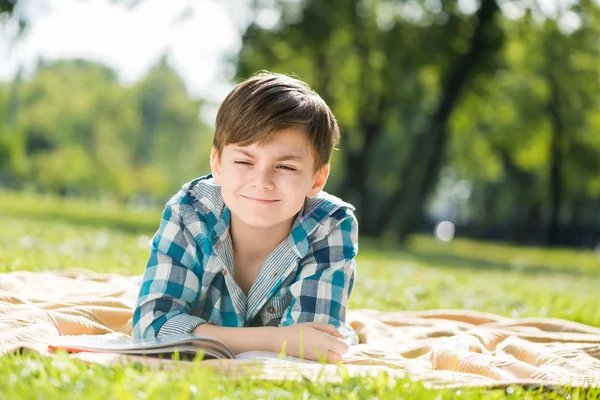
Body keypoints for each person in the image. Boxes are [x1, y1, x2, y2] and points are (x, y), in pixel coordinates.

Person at [132, 72, 358, 363]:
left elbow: (313, 346)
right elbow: (150, 329)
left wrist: (199, 334)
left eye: (286, 167)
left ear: (317, 178)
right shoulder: (190, 211)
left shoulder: (330, 224)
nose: (261, 181)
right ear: (218, 164)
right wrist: (277, 339)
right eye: (243, 161)